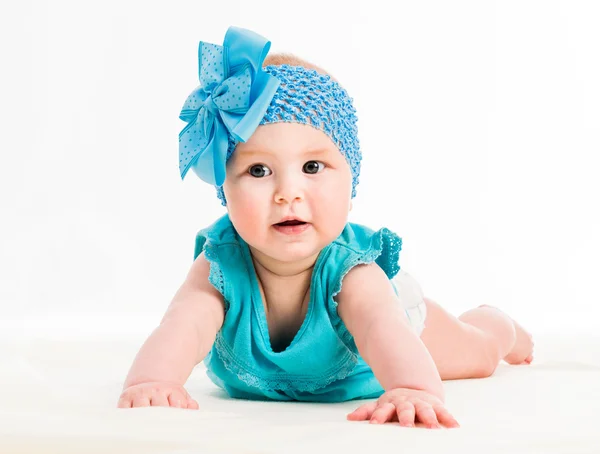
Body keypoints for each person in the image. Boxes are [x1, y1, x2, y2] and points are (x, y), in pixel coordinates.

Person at [117, 26, 534, 428]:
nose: (287, 193)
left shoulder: (352, 272)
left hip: (401, 344)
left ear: (351, 181)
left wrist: (410, 388)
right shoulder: (219, 265)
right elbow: (182, 325)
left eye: (312, 167)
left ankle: (499, 326)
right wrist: (152, 381)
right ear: (224, 186)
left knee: (476, 353)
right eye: (259, 169)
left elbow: (379, 327)